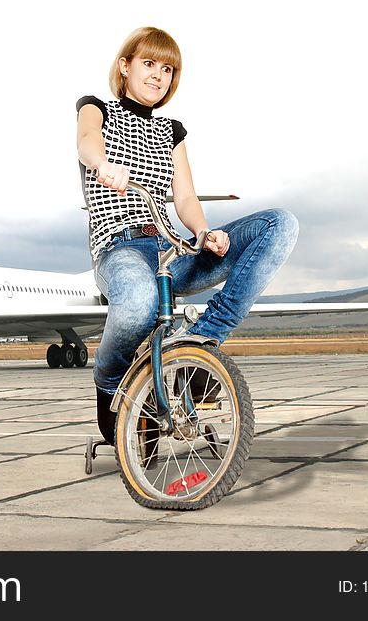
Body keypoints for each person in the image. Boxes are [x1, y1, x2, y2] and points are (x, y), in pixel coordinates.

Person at [76, 27, 299, 445]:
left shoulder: (170, 131)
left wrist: (203, 230)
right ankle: (109, 382)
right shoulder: (96, 108)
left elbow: (185, 196)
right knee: (140, 304)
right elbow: (87, 142)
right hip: (119, 248)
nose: (158, 76)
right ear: (125, 67)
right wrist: (103, 163)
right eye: (148, 64)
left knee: (279, 224)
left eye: (167, 69)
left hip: (170, 250)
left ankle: (200, 345)